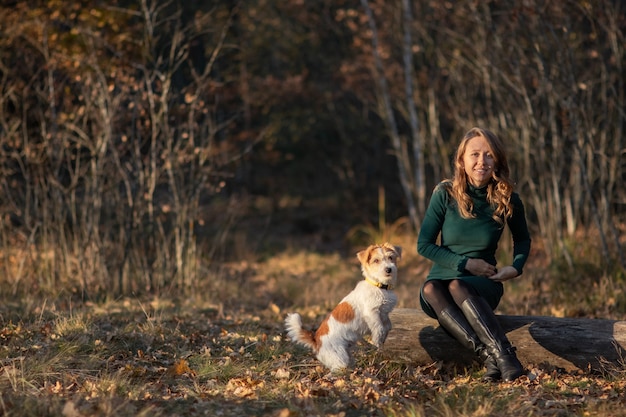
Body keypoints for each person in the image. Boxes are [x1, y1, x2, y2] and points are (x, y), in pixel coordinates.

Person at [417, 127, 531, 382]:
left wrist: (515, 267)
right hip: (439, 287)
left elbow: (522, 239)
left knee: (458, 285)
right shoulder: (444, 193)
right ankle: (499, 357)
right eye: (475, 155)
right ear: (462, 160)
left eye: (489, 155)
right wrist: (466, 263)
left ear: (497, 160)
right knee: (430, 289)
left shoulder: (507, 197)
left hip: (481, 286)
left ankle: (498, 359)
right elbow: (423, 244)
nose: (482, 162)